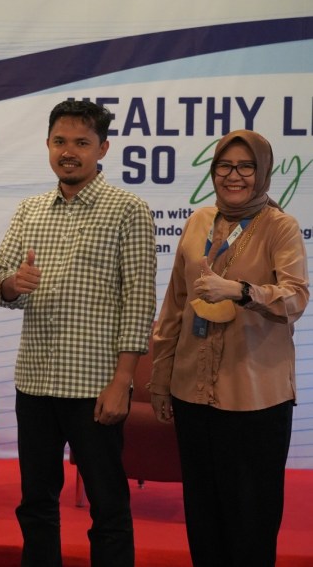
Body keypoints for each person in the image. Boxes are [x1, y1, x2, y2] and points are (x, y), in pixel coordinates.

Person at [0, 100, 157, 567]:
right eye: (60, 141)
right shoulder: (30, 210)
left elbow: (139, 301)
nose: (69, 151)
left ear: (102, 148)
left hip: (95, 387)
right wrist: (13, 284)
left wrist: (123, 381)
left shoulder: (128, 210)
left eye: (82, 143)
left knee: (107, 506)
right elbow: (1, 280)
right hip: (35, 383)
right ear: (47, 145)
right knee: (36, 503)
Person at [149, 130, 308, 567]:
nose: (233, 176)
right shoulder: (198, 221)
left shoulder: (280, 226)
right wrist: (160, 381)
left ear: (262, 172)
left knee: (250, 521)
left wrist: (241, 291)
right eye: (224, 165)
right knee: (203, 515)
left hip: (255, 398)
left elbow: (296, 298)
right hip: (192, 393)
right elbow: (175, 305)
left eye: (246, 167)